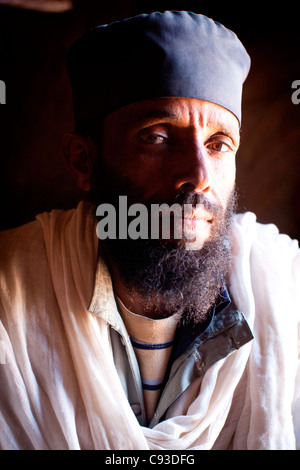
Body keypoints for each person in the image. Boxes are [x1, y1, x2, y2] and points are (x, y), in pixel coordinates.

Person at [0, 10, 299, 450]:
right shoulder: (10, 289)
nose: (199, 176)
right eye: (157, 137)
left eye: (219, 145)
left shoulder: (287, 289)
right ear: (83, 161)